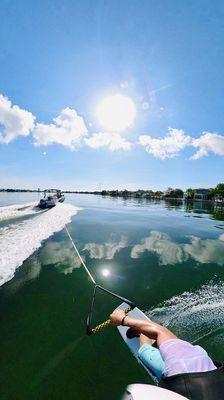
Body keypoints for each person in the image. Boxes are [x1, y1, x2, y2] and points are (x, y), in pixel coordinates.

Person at [110, 309, 224, 400]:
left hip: (186, 383)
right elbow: (160, 332)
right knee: (144, 350)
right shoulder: (181, 365)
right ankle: (142, 332)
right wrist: (123, 320)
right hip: (186, 373)